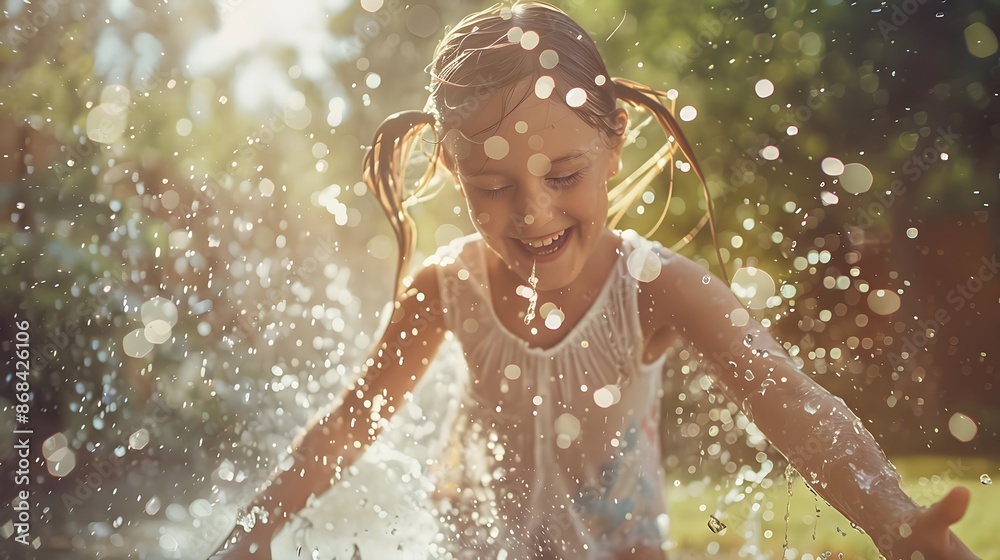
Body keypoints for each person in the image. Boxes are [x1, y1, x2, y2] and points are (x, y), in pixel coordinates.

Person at [211, 2, 981, 558]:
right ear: (451, 170)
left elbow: (791, 402)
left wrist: (890, 517)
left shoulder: (655, 286)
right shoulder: (448, 286)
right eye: (492, 187)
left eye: (564, 174)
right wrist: (256, 527)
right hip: (478, 545)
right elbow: (352, 424)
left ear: (613, 146)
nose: (533, 212)